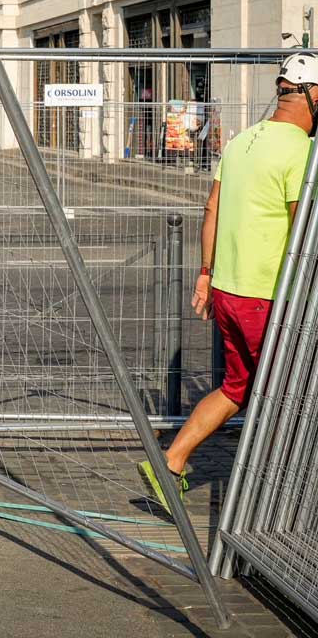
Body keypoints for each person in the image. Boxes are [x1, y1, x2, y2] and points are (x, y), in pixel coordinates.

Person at [139, 52, 318, 512]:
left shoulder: (241, 143)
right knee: (286, 397)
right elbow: (305, 233)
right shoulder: (302, 152)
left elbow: (212, 209)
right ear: (314, 95)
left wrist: (205, 273)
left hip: (229, 291)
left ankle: (172, 462)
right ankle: (277, 500)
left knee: (237, 387)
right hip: (270, 299)